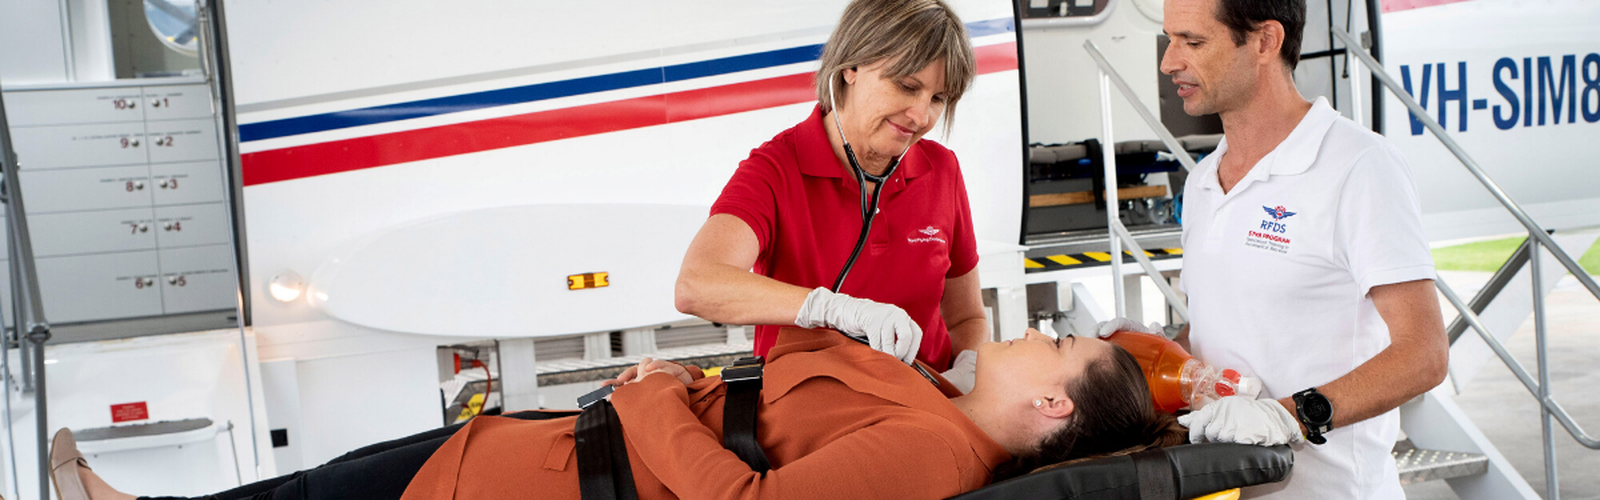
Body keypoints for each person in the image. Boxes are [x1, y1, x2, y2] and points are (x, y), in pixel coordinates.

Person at [50, 328, 1180, 500]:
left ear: (1049, 401)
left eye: (1059, 344)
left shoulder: (934, 450)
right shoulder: (931, 397)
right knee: (324, 482)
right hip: (535, 448)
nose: (1038, 332)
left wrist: (647, 399)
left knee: (325, 493)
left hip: (539, 478)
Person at [1097, 0, 1449, 497]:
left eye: (1193, 42)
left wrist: (1289, 416)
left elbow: (1423, 355)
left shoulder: (1358, 165)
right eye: (1169, 40)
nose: (1169, 62)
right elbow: (1223, 331)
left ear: (1265, 41)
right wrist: (1152, 358)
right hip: (1227, 488)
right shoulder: (1203, 181)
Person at [673, 0, 988, 390]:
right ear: (850, 67)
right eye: (907, 86)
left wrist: (967, 368)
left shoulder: (941, 169)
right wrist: (833, 309)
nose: (921, 116)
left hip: (927, 402)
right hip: (816, 409)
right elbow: (696, 285)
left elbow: (966, 318)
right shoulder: (776, 169)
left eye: (938, 98)